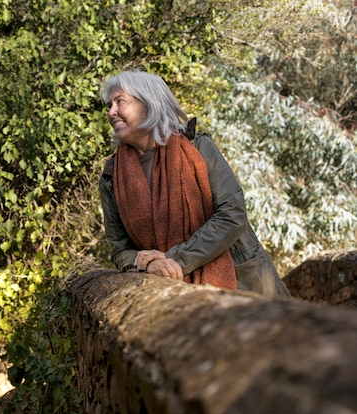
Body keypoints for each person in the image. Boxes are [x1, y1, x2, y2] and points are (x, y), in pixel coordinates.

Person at [98, 69, 290, 296]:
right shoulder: (112, 177)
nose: (112, 112)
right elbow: (120, 249)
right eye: (110, 105)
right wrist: (149, 264)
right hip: (168, 293)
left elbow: (232, 214)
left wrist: (175, 260)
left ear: (150, 103)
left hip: (243, 283)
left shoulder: (197, 148)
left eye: (120, 101)